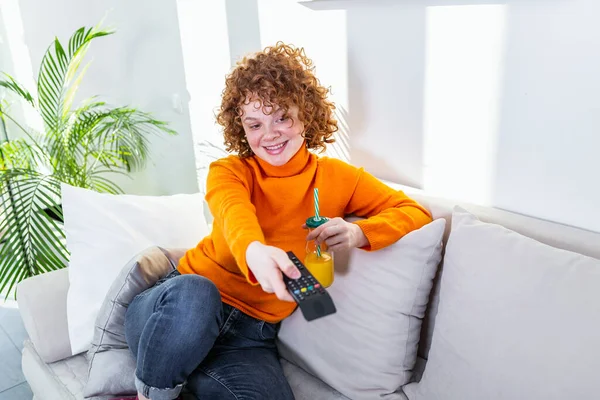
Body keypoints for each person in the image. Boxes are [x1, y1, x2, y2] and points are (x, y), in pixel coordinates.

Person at [121, 42, 433, 400]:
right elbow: (235, 215)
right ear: (241, 128)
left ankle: (184, 370)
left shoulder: (340, 179)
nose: (268, 135)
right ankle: (151, 392)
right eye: (255, 124)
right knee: (197, 294)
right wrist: (254, 252)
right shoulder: (229, 172)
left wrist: (358, 231)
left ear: (307, 115)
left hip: (248, 337)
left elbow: (414, 213)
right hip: (175, 309)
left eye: (281, 117)